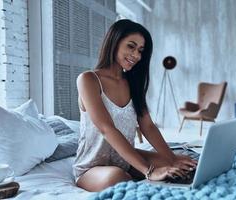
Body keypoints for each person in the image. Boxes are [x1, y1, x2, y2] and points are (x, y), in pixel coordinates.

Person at [73, 19, 197, 192]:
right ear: (114, 42)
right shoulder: (88, 79)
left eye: (140, 51)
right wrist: (149, 171)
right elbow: (106, 129)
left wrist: (172, 158)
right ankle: (143, 177)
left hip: (125, 161)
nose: (136, 56)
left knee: (187, 164)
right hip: (91, 168)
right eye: (131, 46)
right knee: (117, 177)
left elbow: (148, 126)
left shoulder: (132, 83)